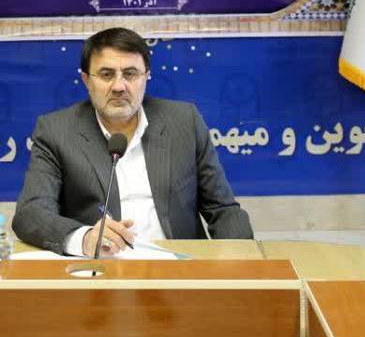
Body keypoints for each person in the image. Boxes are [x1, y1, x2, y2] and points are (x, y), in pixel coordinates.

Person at [13, 27, 253, 256]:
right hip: (101, 268)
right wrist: (84, 239)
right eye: (106, 74)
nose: (119, 86)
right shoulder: (56, 131)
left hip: (178, 267)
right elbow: (31, 213)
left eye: (130, 74)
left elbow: (222, 209)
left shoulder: (184, 122)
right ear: (86, 80)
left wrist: (243, 264)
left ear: (146, 77)